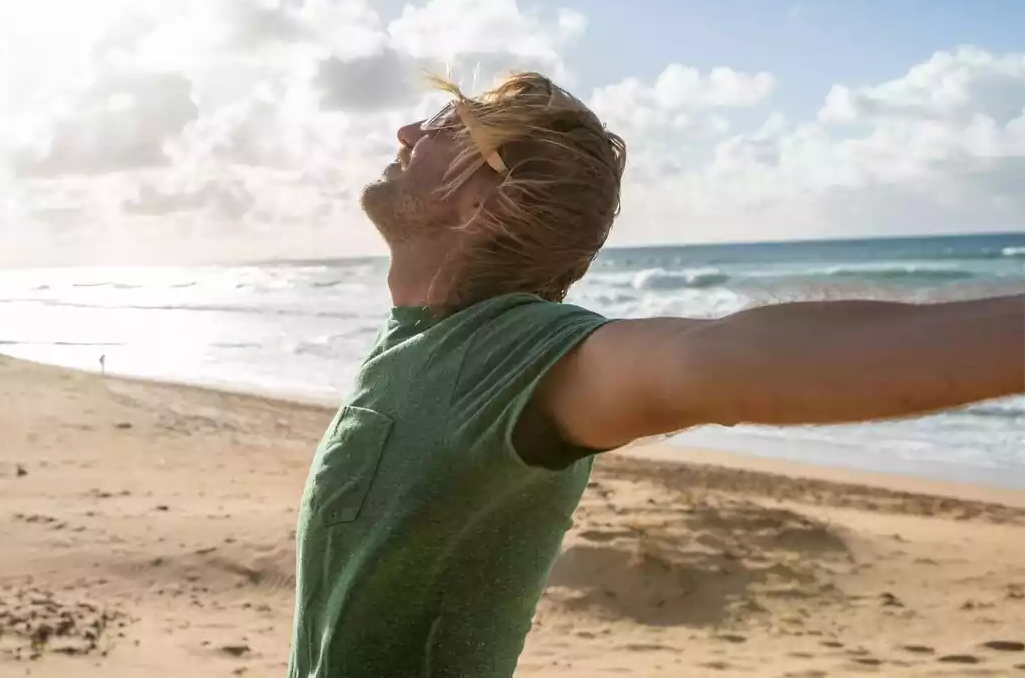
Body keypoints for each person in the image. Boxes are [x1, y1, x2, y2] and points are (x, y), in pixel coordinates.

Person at [287, 72, 1024, 678]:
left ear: (490, 198)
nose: (407, 134)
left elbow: (720, 360)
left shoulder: (515, 357)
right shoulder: (418, 338)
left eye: (447, 128)